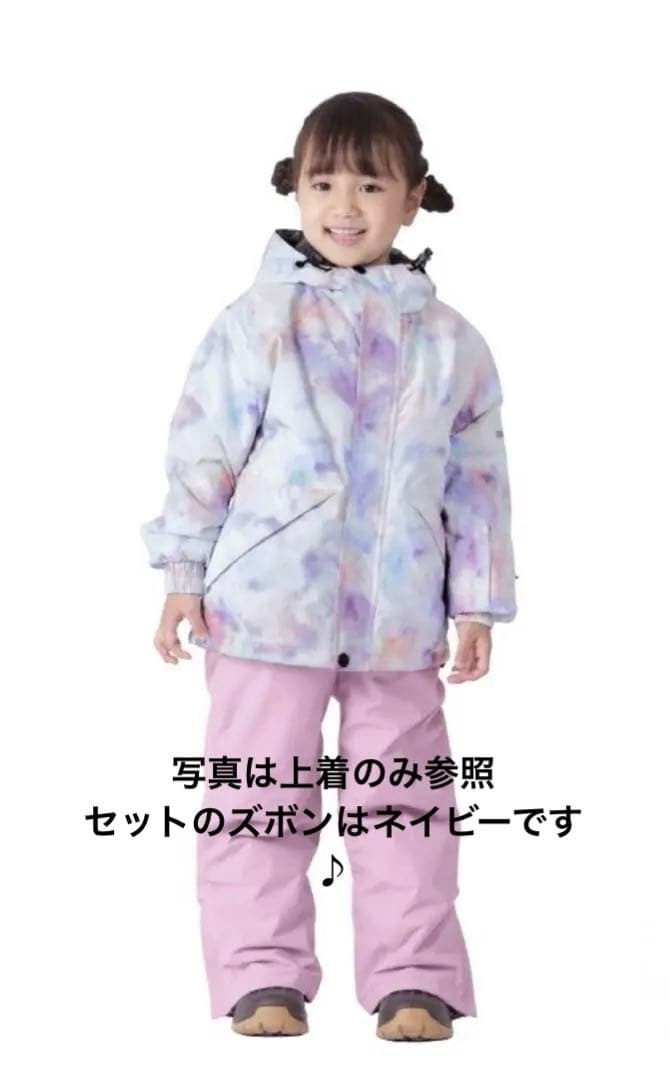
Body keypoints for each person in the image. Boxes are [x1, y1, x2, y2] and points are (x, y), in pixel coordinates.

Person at [140, 90, 518, 1042]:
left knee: (405, 804)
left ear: (414, 197)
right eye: (323, 183)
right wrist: (182, 575)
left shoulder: (452, 346)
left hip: (399, 620)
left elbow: (477, 484)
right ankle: (260, 973)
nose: (344, 205)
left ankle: (415, 977)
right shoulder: (256, 323)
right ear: (295, 191)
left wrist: (476, 602)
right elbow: (202, 451)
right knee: (259, 793)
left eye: (370, 185)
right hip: (265, 614)